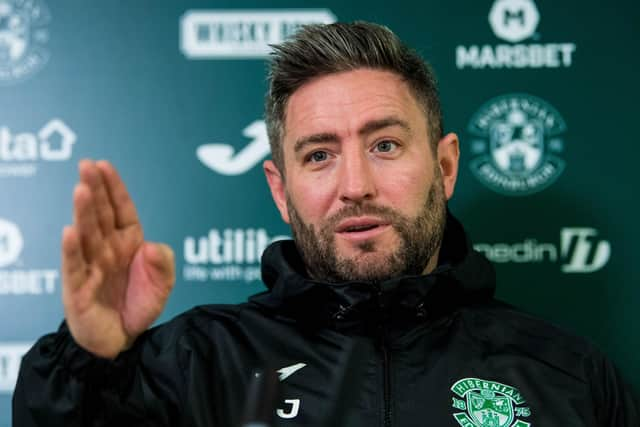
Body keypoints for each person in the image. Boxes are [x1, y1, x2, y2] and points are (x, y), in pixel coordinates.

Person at [12, 21, 638, 427]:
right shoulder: (196, 366)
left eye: (386, 145)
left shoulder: (568, 374)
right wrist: (87, 360)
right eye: (319, 155)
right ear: (280, 191)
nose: (355, 184)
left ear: (444, 166)